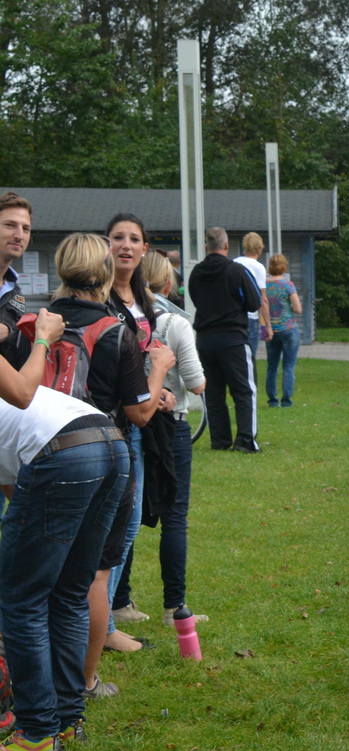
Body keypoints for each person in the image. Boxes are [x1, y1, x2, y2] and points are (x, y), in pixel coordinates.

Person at [0, 307, 129, 751]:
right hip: (108, 441)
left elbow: (20, 400)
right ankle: (68, 721)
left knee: (19, 597)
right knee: (68, 591)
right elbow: (19, 491)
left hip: (62, 451)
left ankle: (35, 732)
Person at [45, 234, 172, 701]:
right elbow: (139, 411)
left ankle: (33, 674)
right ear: (102, 272)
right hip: (103, 451)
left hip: (40, 452)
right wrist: (158, 364)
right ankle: (85, 680)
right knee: (95, 574)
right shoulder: (115, 328)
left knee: (43, 572)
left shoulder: (38, 322)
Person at [139, 251, 207, 626]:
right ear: (167, 283)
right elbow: (196, 383)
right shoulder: (175, 323)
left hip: (131, 420)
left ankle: (119, 601)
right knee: (174, 515)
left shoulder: (125, 319)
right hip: (171, 422)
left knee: (128, 514)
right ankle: (173, 606)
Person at [102, 213, 155, 647]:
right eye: (117, 237)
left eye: (133, 239)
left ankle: (108, 616)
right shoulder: (98, 298)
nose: (125, 245)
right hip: (109, 423)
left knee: (130, 522)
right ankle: (102, 626)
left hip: (138, 420)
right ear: (106, 245)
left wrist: (160, 389)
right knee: (115, 524)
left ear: (144, 249)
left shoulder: (142, 298)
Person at [187, 226, 263, 452]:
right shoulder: (236, 271)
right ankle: (245, 441)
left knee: (213, 394)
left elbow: (194, 298)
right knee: (244, 391)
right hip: (233, 338)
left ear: (206, 246)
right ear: (227, 246)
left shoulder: (196, 273)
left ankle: (220, 440)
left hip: (205, 340)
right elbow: (254, 302)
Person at [263, 254, 301, 407]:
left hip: (271, 329)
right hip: (289, 329)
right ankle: (286, 401)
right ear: (284, 267)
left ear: (269, 268)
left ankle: (272, 400)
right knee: (288, 367)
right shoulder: (288, 285)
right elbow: (298, 308)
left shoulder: (264, 286)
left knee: (271, 367)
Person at [0, 191, 31, 367]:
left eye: (25, 229)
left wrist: (10, 332)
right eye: (10, 225)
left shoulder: (15, 292)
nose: (19, 235)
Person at [235, 232, 271, 367]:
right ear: (260, 248)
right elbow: (263, 300)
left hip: (234, 315)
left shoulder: (234, 263)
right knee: (250, 360)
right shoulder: (258, 267)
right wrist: (268, 326)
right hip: (250, 317)